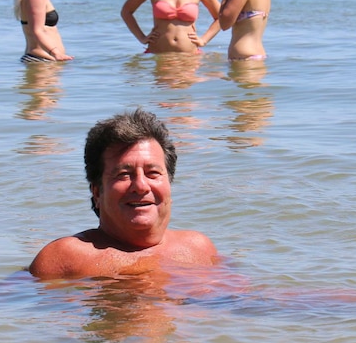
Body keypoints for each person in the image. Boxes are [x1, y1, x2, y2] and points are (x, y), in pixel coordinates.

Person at [29, 108, 218, 279]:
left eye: (153, 173)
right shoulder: (65, 258)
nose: (141, 186)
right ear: (97, 193)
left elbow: (237, 305)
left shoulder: (198, 248)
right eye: (124, 175)